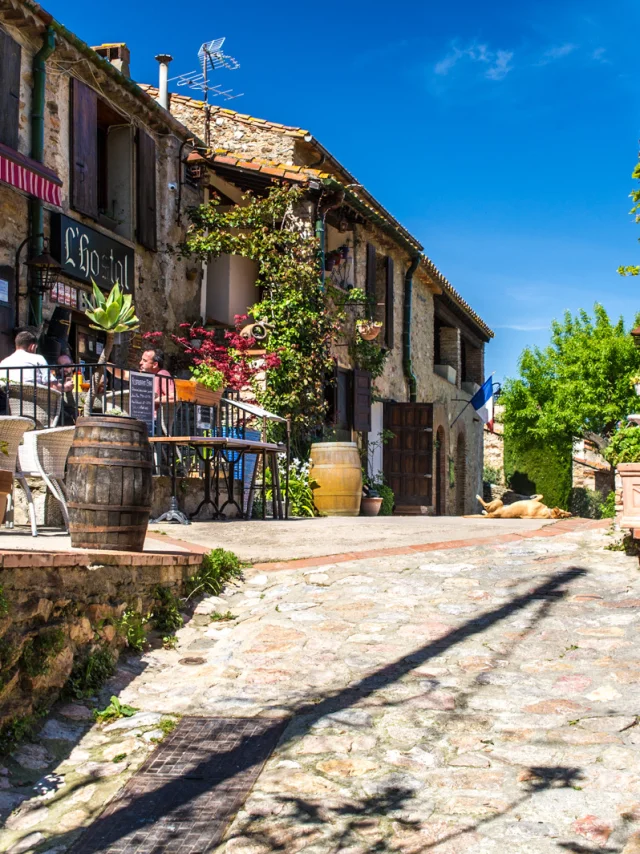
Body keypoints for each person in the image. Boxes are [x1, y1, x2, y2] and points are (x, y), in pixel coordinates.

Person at [57, 352, 78, 424]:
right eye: (60, 367)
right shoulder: (56, 382)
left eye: (66, 366)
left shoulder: (79, 378)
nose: (63, 369)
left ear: (73, 366)